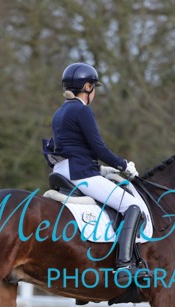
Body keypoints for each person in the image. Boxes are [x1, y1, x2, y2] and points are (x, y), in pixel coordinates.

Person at [48, 62, 148, 279]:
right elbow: (98, 148)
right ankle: (124, 265)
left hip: (63, 171)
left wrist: (102, 169)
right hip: (80, 174)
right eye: (93, 87)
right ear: (87, 87)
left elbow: (75, 149)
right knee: (132, 206)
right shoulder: (82, 110)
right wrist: (123, 166)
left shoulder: (60, 112)